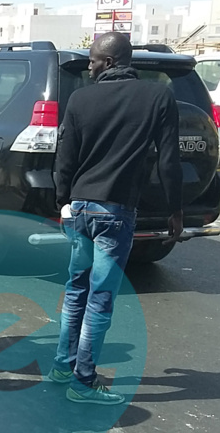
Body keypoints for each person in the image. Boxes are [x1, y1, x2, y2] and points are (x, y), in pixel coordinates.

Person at [51, 31, 183, 405]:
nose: (89, 67)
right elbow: (169, 160)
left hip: (80, 208)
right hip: (115, 211)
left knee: (76, 289)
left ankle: (63, 366)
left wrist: (63, 200)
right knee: (100, 298)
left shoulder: (80, 99)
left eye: (92, 61)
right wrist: (175, 209)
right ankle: (83, 382)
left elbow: (66, 158)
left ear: (109, 62)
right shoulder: (157, 96)